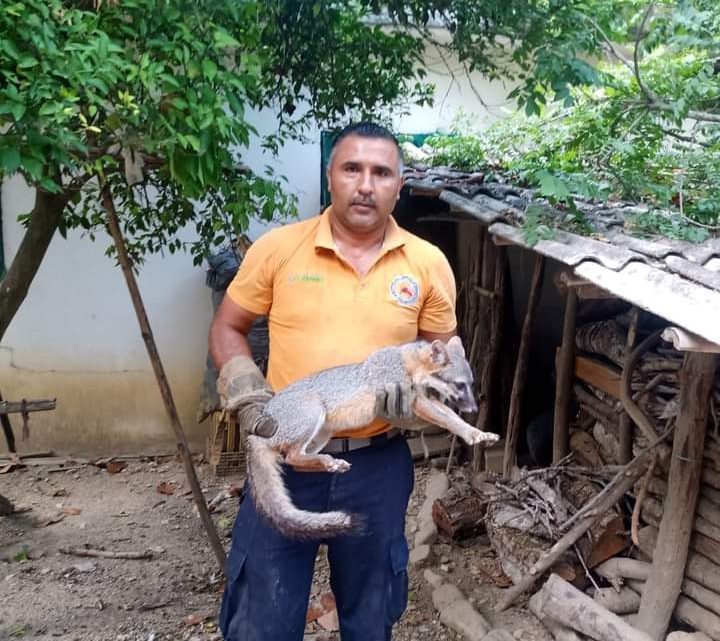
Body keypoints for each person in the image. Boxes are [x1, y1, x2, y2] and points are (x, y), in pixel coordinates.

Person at [209, 121, 457, 641]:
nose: (365, 184)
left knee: (370, 617)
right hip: (286, 458)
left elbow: (446, 355)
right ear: (330, 177)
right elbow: (228, 326)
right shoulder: (280, 248)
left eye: (381, 172)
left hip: (378, 466)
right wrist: (249, 396)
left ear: (399, 184)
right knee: (263, 618)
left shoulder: (428, 263)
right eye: (352, 168)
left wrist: (416, 404)